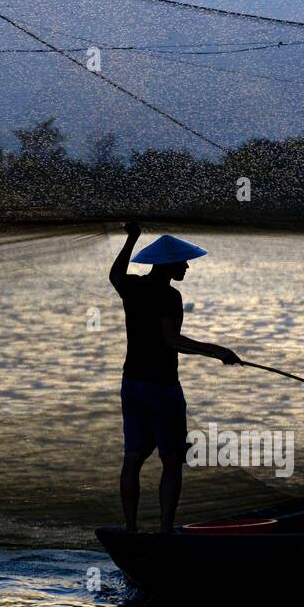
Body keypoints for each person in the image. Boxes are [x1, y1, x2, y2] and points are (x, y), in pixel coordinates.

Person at [109, 222, 240, 532]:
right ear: (167, 265)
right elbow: (172, 341)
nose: (186, 267)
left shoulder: (134, 287)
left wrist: (131, 238)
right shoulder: (169, 296)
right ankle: (165, 531)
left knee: (133, 458)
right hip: (161, 387)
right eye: (181, 262)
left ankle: (131, 531)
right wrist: (217, 350)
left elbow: (114, 276)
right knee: (171, 459)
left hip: (132, 384)